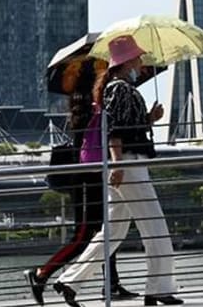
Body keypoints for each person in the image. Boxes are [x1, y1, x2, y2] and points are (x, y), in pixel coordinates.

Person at [53, 35, 184, 306]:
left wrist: (149, 119)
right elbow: (114, 132)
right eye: (137, 56)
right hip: (129, 165)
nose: (141, 60)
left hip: (124, 164)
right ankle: (159, 288)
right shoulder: (121, 89)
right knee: (155, 227)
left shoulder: (115, 87)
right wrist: (118, 164)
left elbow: (124, 126)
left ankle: (69, 282)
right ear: (127, 60)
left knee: (112, 231)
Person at [25, 58, 137, 305]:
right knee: (84, 235)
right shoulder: (87, 103)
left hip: (96, 175)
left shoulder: (97, 100)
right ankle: (41, 274)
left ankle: (112, 284)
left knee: (106, 231)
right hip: (86, 177)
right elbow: (93, 141)